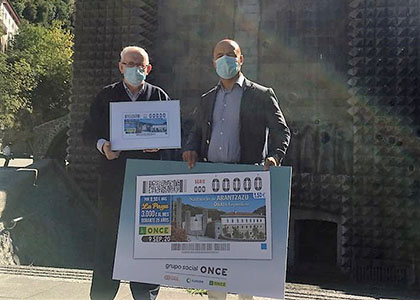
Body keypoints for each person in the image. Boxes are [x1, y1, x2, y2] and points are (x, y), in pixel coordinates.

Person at [182, 39, 291, 300]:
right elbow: (196, 131)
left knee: (244, 254)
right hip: (212, 182)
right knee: (214, 252)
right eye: (219, 55)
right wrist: (190, 148)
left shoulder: (261, 94)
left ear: (241, 59)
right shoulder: (208, 98)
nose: (225, 59)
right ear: (213, 62)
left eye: (231, 54)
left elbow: (281, 130)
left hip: (247, 182)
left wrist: (275, 157)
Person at [83, 46, 170, 300]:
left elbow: (173, 137)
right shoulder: (105, 96)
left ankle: (145, 294)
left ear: (148, 69)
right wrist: (103, 146)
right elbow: (87, 132)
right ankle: (102, 294)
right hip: (113, 180)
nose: (136, 69)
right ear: (120, 66)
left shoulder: (159, 97)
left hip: (148, 183)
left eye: (140, 65)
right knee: (108, 240)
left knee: (147, 240)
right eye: (130, 64)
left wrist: (161, 143)